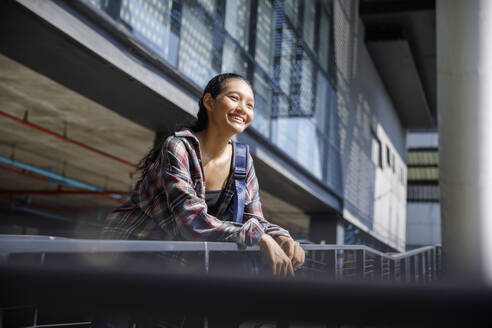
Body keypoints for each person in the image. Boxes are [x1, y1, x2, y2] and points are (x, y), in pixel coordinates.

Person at [102, 73, 305, 276]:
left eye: (250, 105)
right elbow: (191, 221)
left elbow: (253, 217)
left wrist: (280, 236)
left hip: (174, 262)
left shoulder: (243, 159)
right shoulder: (178, 147)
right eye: (234, 98)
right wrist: (259, 237)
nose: (243, 109)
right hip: (129, 254)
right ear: (209, 102)